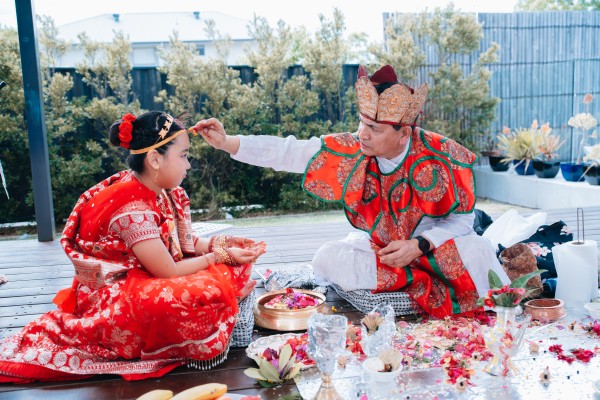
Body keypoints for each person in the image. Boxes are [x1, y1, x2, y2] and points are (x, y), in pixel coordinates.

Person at [192, 65, 509, 319]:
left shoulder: (442, 154)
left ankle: (411, 284)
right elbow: (292, 151)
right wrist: (228, 142)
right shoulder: (353, 148)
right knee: (328, 257)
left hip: (434, 251)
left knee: (478, 250)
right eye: (361, 123)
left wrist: (419, 245)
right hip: (384, 253)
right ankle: (422, 285)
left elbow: (462, 221)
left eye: (374, 129)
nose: (362, 134)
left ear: (404, 134)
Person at [0, 111, 266, 382]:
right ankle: (219, 306)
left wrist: (227, 245)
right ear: (155, 159)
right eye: (184, 156)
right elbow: (169, 271)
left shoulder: (164, 190)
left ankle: (224, 299)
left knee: (228, 270)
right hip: (114, 291)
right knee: (186, 298)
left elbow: (186, 243)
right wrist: (220, 256)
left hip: (149, 273)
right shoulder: (132, 207)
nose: (188, 165)